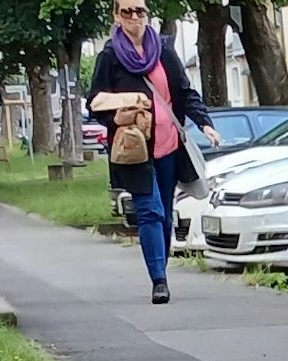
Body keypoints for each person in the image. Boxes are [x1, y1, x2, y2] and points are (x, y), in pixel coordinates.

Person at [87, 2, 219, 304]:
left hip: (169, 145)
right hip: (134, 148)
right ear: (116, 17)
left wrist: (205, 123)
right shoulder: (110, 56)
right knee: (150, 211)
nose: (134, 17)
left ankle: (161, 266)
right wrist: (119, 116)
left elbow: (184, 92)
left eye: (140, 11)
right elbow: (94, 103)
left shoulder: (163, 50)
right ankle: (159, 281)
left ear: (147, 14)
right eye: (127, 11)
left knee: (165, 216)